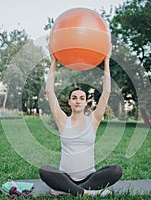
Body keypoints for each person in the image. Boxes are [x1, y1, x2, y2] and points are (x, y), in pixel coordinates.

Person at [39, 52, 122, 197]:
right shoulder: (63, 120)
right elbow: (49, 91)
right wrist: (53, 61)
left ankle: (66, 190)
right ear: (69, 102)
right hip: (65, 177)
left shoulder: (94, 120)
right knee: (44, 170)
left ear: (86, 102)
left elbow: (107, 92)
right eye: (74, 98)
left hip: (89, 178)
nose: (78, 100)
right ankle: (86, 193)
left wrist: (106, 62)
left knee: (116, 170)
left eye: (81, 98)